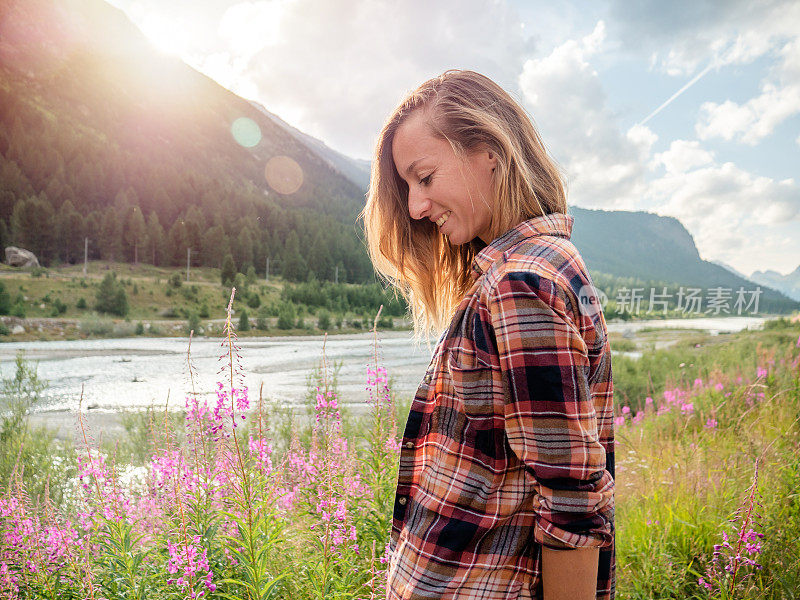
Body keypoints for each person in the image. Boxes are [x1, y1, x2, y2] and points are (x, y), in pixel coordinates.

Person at [360, 70, 615, 600]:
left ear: (489, 151)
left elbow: (572, 499)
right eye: (408, 186)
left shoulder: (522, 282)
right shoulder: (542, 265)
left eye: (424, 177)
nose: (415, 207)